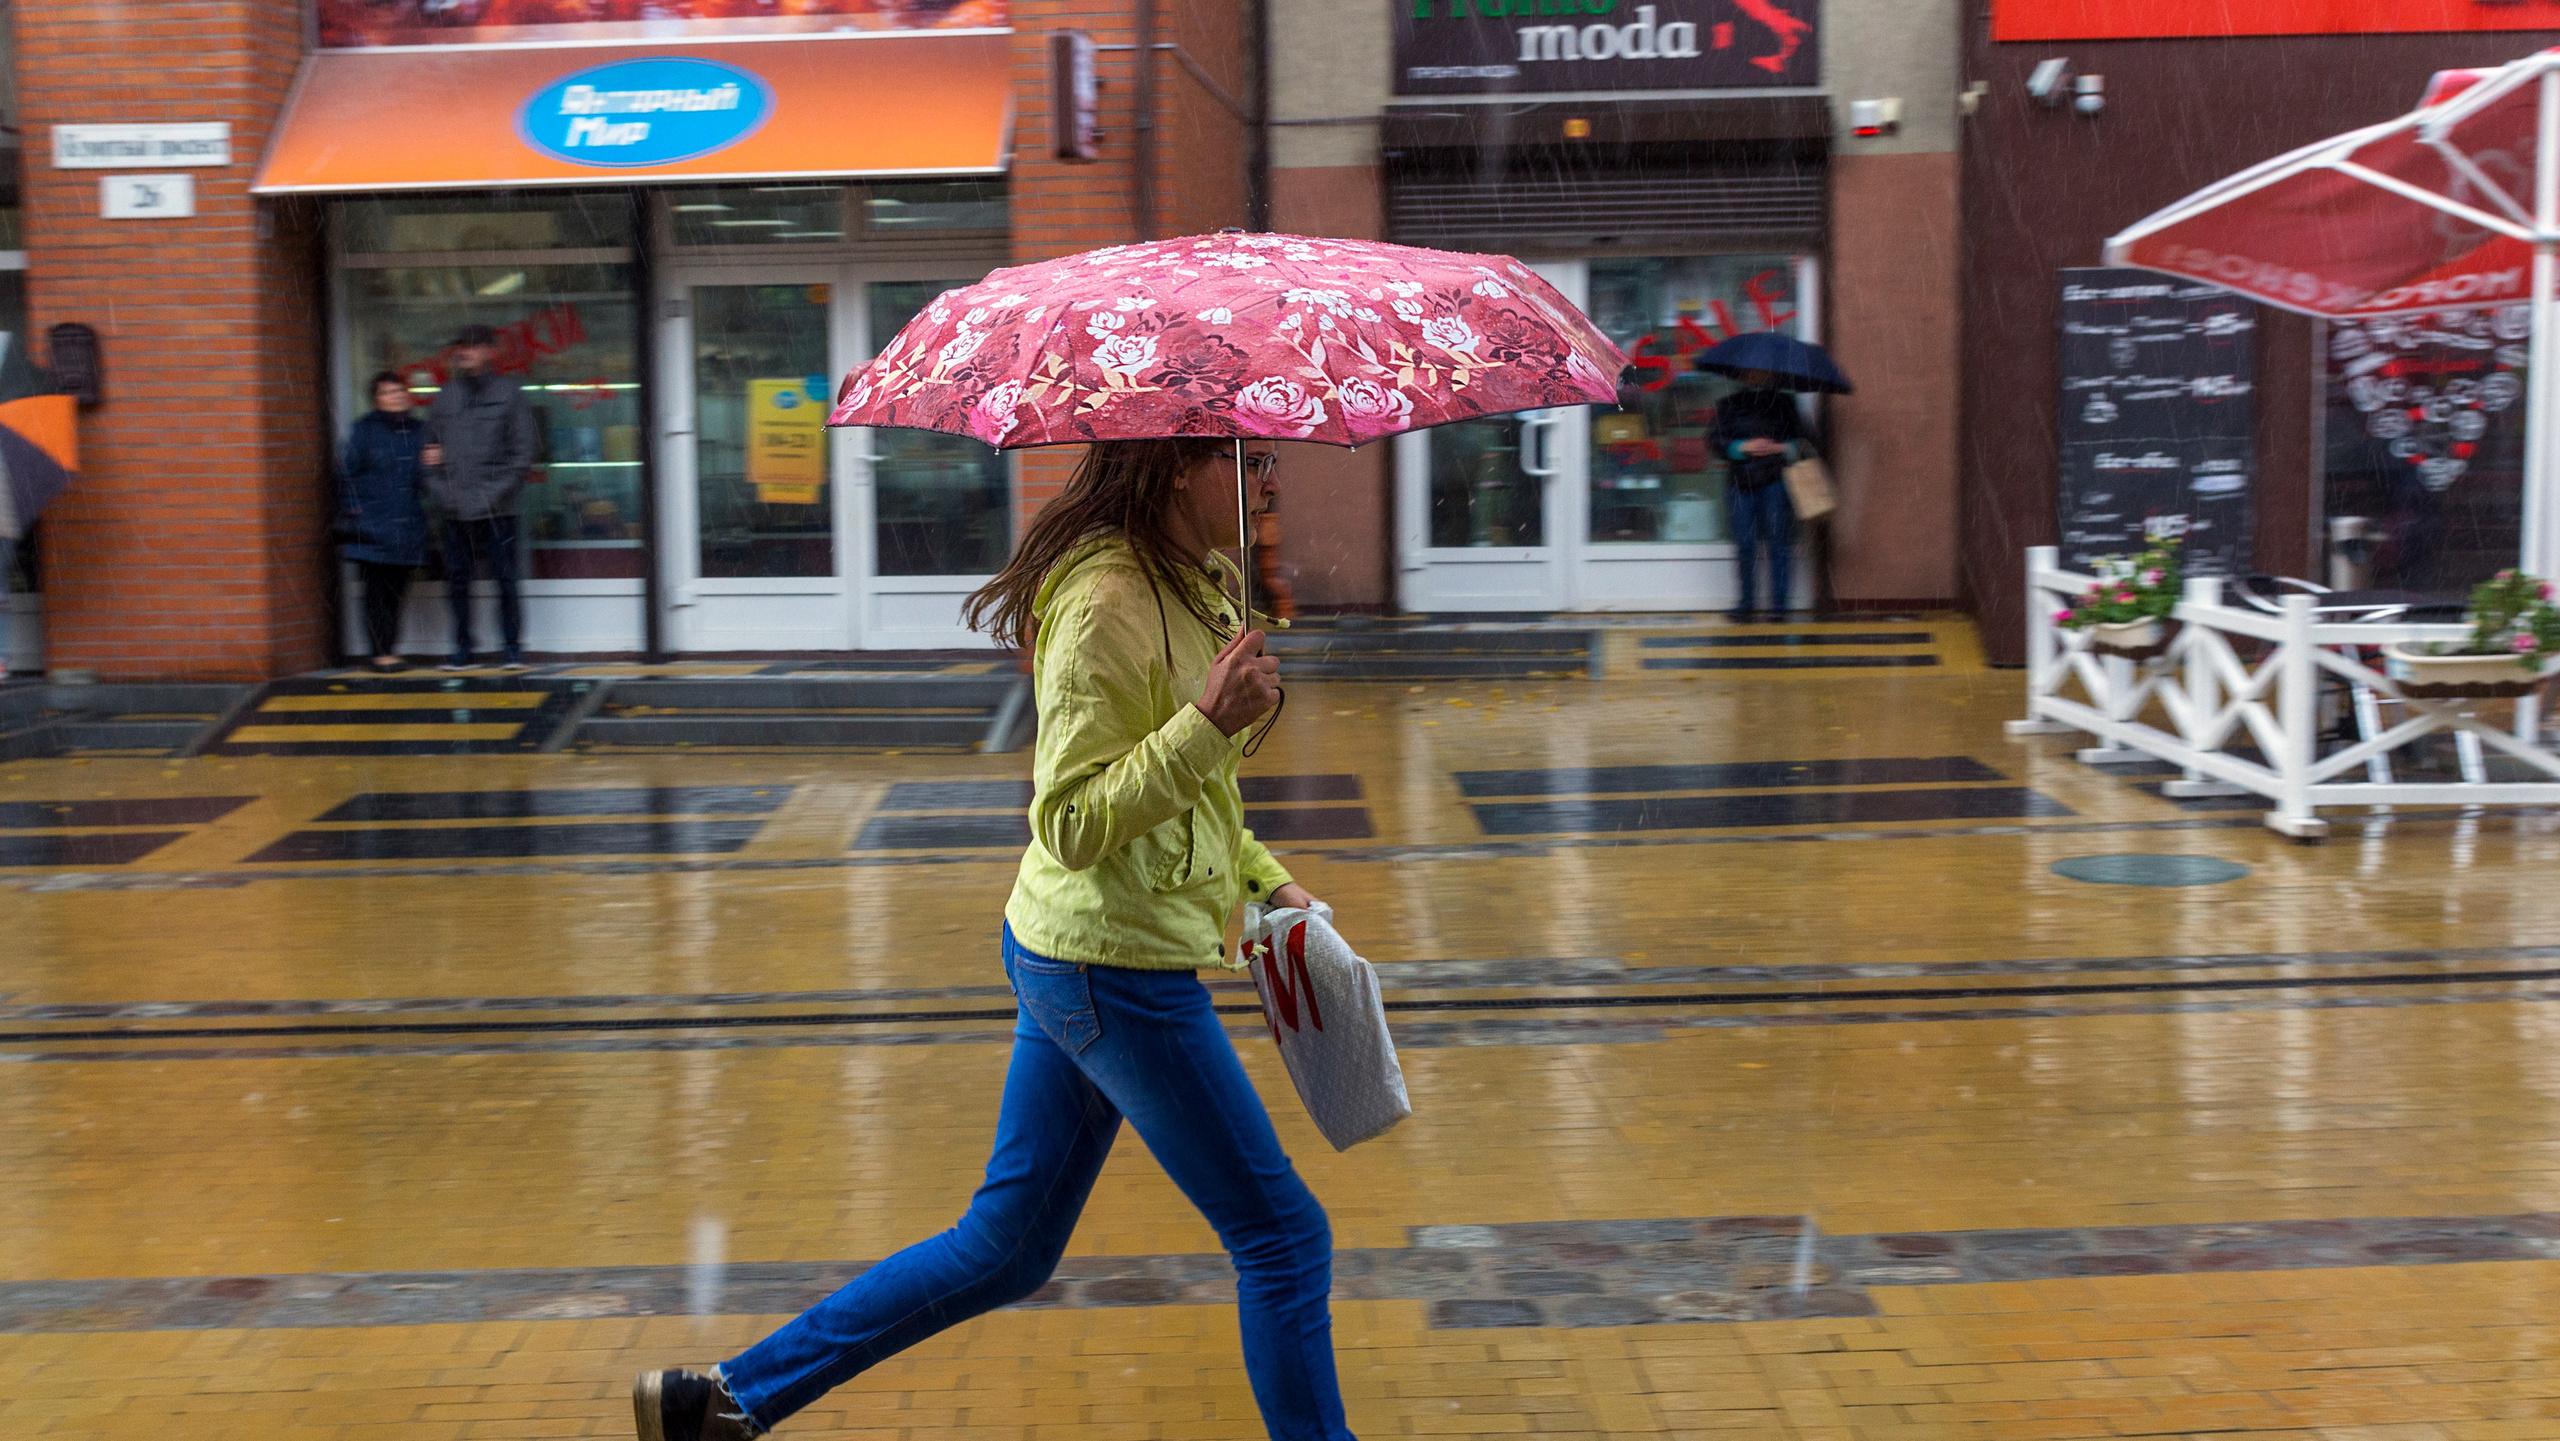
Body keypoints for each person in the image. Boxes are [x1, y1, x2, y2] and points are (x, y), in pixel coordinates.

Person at [632, 439, 1350, 1441]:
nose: (1270, 479)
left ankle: (720, 1401)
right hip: (1112, 966)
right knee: (1282, 1238)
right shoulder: (1106, 601)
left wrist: (1271, 883)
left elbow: (1201, 801)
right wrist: (1204, 722)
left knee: (1007, 1246)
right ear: (1181, 464)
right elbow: (1068, 818)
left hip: (1086, 953)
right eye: (1252, 457)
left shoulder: (1200, 584)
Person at [424, 323, 539, 670]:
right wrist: (445, 494)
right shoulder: (445, 396)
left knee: (506, 580)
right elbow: (427, 455)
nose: (464, 352)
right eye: (461, 346)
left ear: (491, 351)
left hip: (498, 510)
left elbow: (524, 454)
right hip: (456, 510)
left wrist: (493, 495)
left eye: (472, 346)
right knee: (457, 582)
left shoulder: (510, 393)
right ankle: (462, 648)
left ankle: (512, 648)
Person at [338, 371, 430, 673]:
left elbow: (423, 479)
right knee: (376, 591)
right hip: (373, 525)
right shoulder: (365, 430)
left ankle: (390, 648)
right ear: (376, 399)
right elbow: (347, 475)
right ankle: (381, 652)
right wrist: (356, 512)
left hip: (405, 523)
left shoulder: (418, 430)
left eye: (400, 391)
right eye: (388, 392)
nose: (396, 396)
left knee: (396, 590)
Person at [1706, 367, 1810, 623]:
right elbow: (1715, 441)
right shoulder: (1729, 404)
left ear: (1770, 375)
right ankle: (1746, 603)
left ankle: (1779, 606)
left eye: (1760, 372)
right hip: (1740, 484)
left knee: (1779, 544)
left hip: (1776, 481)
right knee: (1745, 545)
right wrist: (1742, 447)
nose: (1755, 376)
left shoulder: (1785, 404)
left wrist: (1779, 447)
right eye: (1750, 372)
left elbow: (1807, 442)